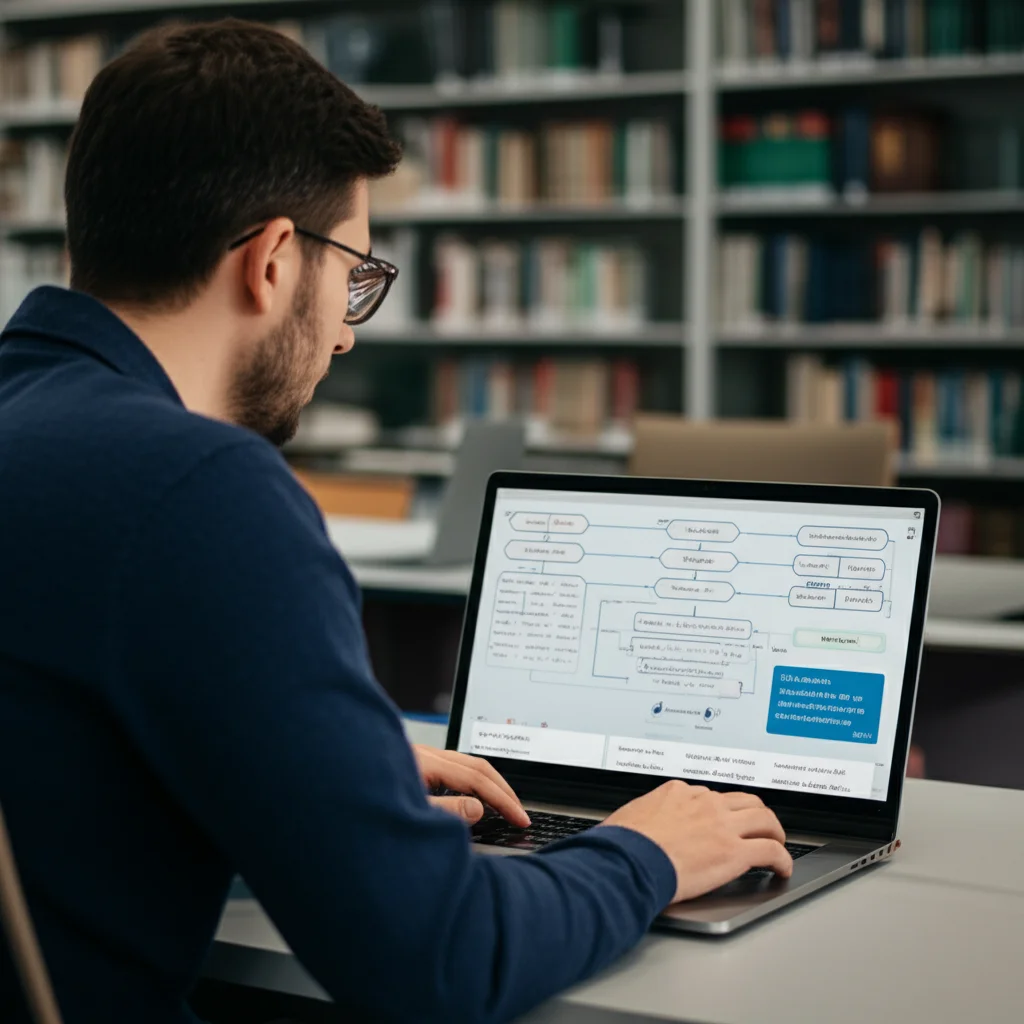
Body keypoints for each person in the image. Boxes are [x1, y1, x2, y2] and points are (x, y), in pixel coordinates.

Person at [0, 20, 792, 1024]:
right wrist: (645, 853)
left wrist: (308, 766)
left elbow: (59, 779)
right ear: (276, 261)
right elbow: (438, 959)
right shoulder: (201, 489)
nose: (342, 335)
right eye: (355, 276)